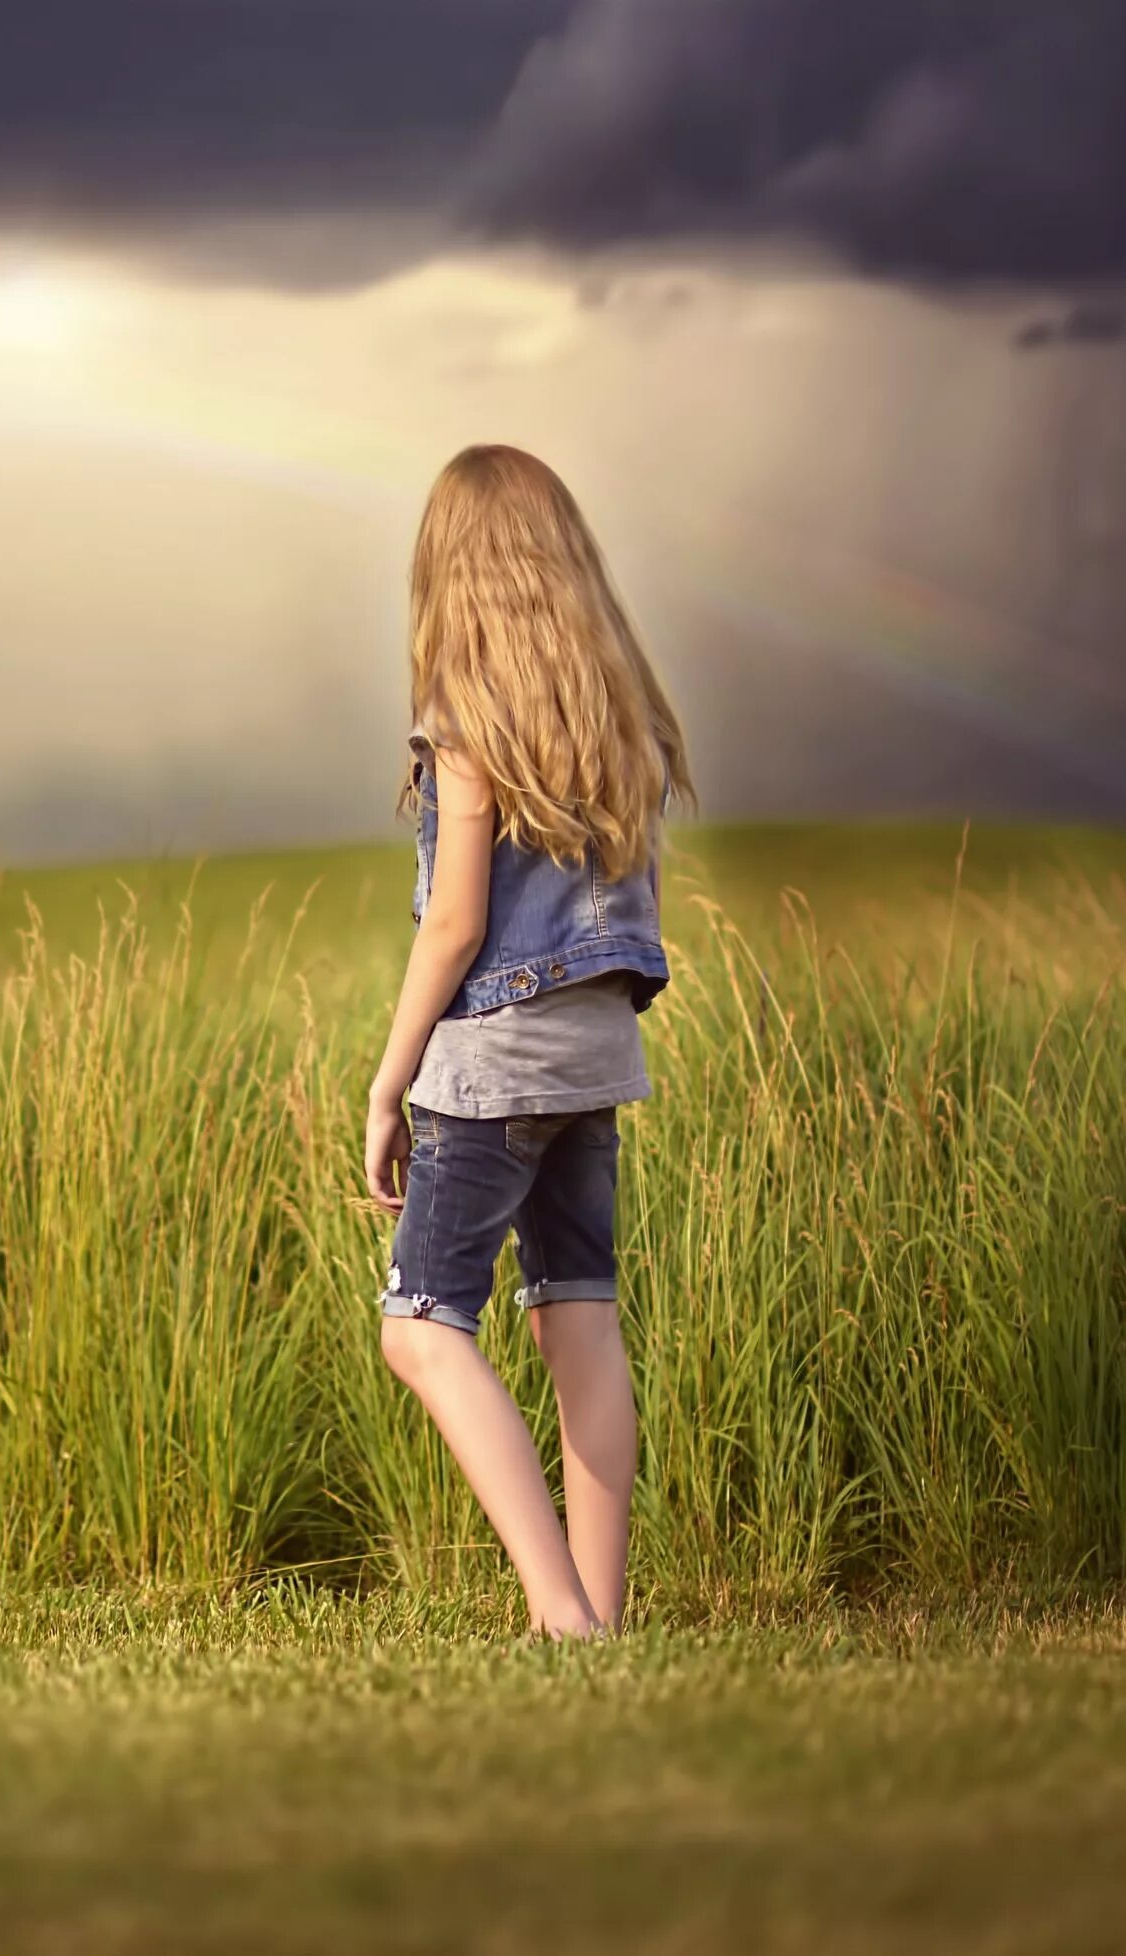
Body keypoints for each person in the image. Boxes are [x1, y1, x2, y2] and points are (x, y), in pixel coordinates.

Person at [363, 442, 694, 1641]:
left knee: (420, 1327)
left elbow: (455, 922)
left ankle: (561, 1614)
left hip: (494, 1058)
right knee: (577, 1317)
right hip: (595, 1053)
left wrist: (388, 1083)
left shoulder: (466, 717)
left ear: (453, 569)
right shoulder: (615, 715)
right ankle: (599, 1613)